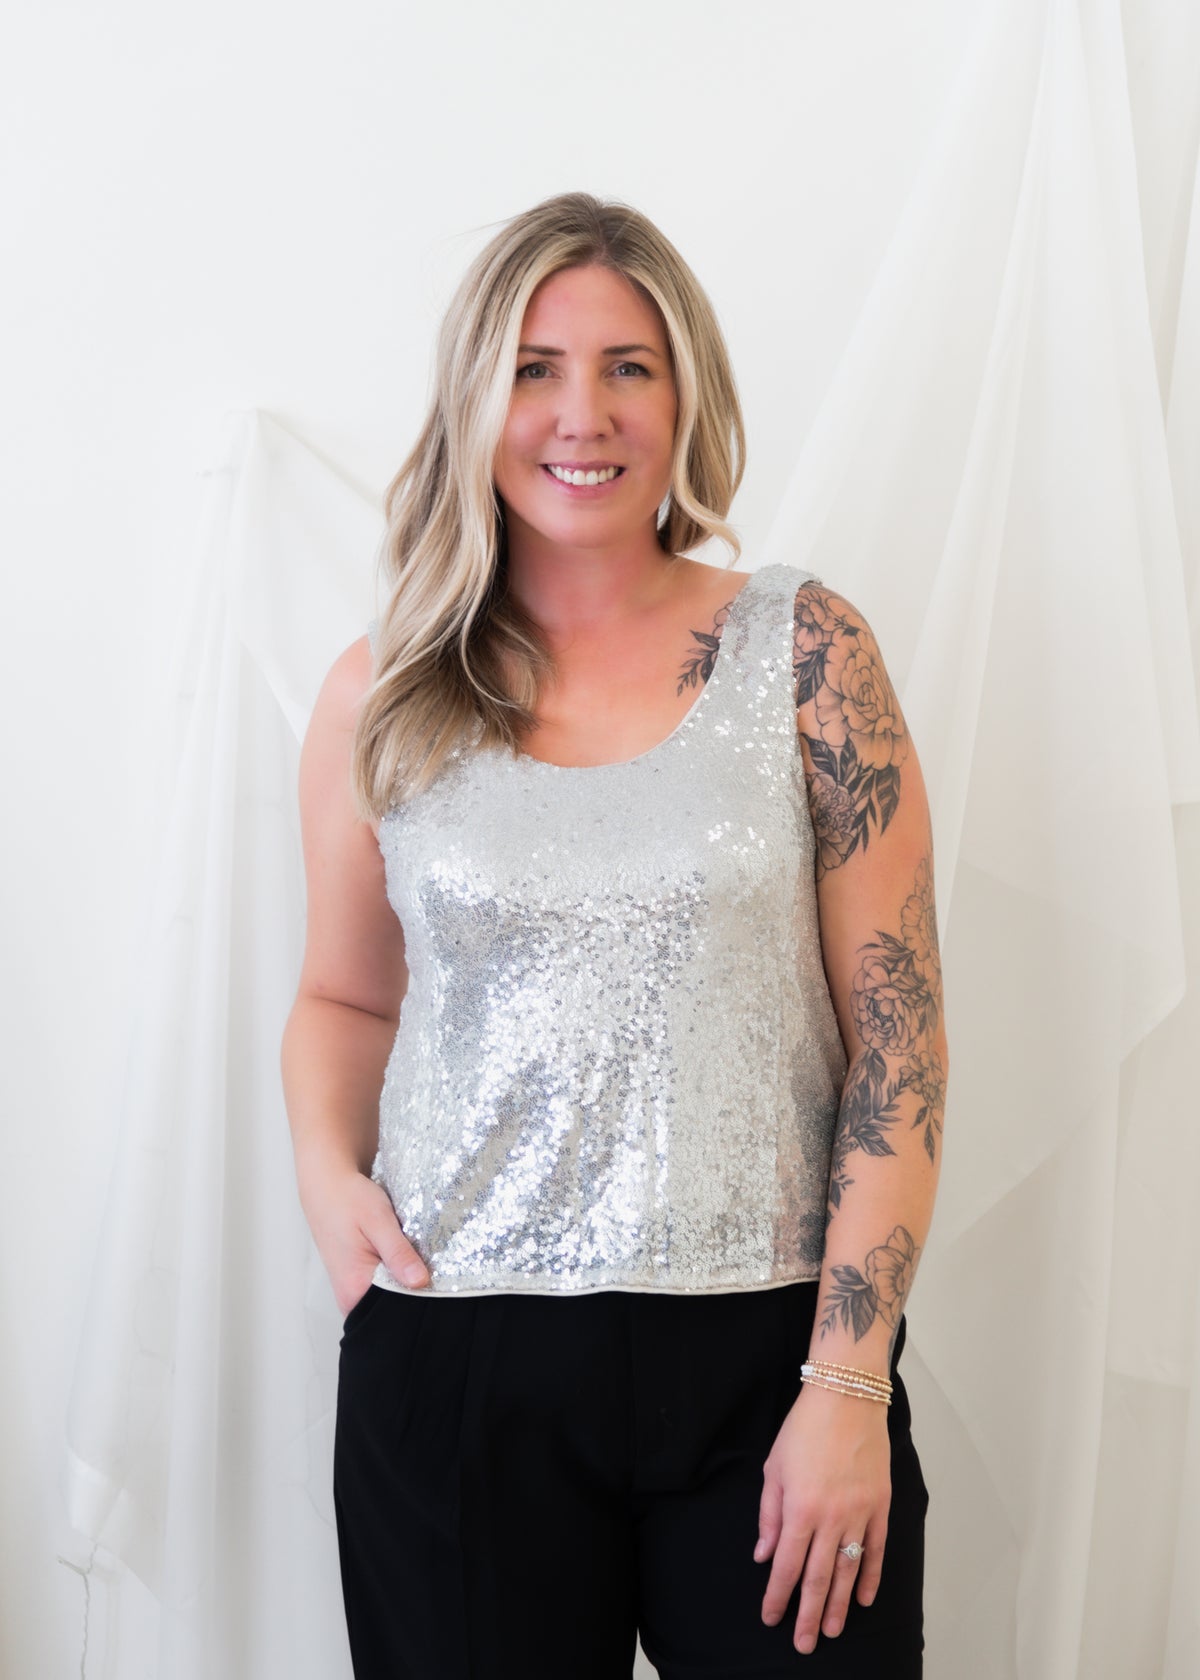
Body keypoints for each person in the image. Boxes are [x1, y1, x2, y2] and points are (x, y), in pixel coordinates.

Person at [281, 191, 947, 1679]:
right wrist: (328, 1178)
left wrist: (849, 1383)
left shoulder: (809, 654)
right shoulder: (380, 693)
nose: (583, 413)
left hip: (774, 1360)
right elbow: (342, 999)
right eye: (535, 368)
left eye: (628, 366)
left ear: (684, 391)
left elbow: (898, 1041)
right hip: (459, 1349)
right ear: (476, 397)